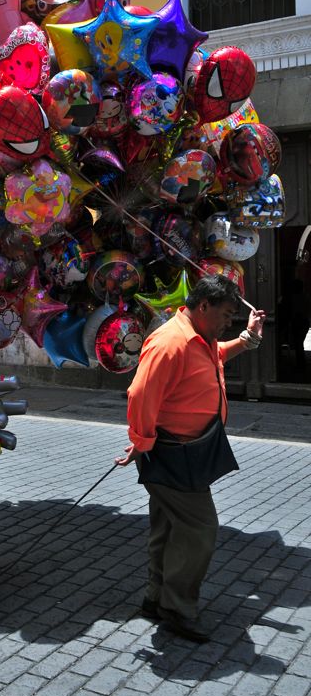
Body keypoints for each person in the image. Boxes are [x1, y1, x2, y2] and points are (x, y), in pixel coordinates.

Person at [116, 275, 266, 643]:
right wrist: (142, 442)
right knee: (200, 528)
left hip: (185, 450)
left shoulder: (199, 337)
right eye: (226, 315)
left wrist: (247, 338)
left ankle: (156, 597)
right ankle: (178, 608)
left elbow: (215, 357)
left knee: (169, 525)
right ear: (204, 306)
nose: (228, 322)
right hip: (171, 453)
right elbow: (140, 394)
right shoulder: (171, 342)